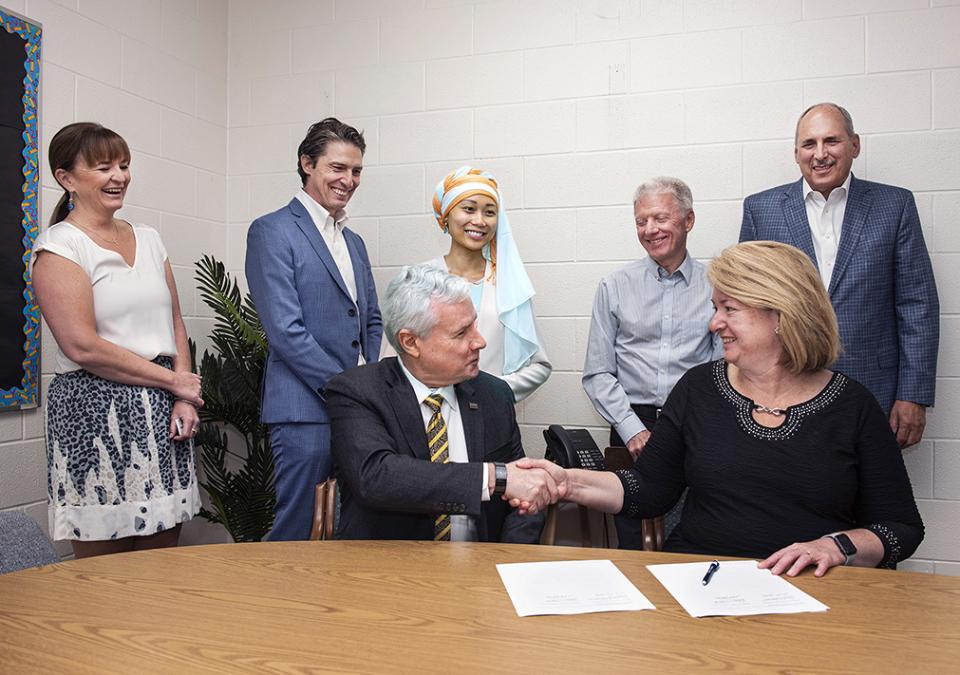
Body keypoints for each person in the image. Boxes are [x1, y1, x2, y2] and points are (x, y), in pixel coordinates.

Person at [520, 242, 924, 576]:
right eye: (716, 308)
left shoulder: (852, 406)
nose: (715, 323)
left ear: (781, 315)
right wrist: (565, 481)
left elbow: (901, 529)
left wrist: (835, 546)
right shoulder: (699, 388)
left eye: (729, 309)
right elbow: (647, 490)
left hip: (813, 591)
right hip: (701, 581)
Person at [31, 122, 203, 558]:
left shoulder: (149, 238)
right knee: (103, 573)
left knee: (162, 557)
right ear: (66, 177)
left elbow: (175, 322)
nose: (119, 176)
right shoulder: (60, 247)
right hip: (93, 414)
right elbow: (81, 346)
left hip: (162, 412)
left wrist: (182, 393)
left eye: (124, 166)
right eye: (104, 166)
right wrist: (172, 383)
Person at [740, 102, 939, 449]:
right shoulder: (761, 210)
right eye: (809, 144)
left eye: (831, 141)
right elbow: (748, 306)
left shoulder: (895, 206)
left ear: (854, 145)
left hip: (874, 389)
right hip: (785, 390)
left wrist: (913, 394)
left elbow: (917, 305)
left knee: (869, 496)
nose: (820, 154)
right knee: (791, 495)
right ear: (796, 152)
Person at [326, 265, 555, 542]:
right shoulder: (357, 392)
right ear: (410, 342)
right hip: (386, 572)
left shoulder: (493, 395)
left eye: (475, 325)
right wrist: (492, 477)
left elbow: (525, 498)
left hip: (480, 571)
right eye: (461, 333)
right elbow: (377, 477)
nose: (479, 342)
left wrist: (505, 563)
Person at [245, 118, 381, 541]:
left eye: (356, 171)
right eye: (337, 168)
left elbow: (371, 318)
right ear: (307, 163)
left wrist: (368, 384)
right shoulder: (272, 231)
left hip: (356, 409)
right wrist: (349, 388)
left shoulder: (354, 240)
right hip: (303, 412)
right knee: (298, 528)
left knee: (347, 527)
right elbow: (286, 332)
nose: (348, 180)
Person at [582, 176, 720, 549]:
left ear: (688, 221)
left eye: (660, 218)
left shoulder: (718, 285)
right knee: (631, 538)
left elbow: (722, 370)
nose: (649, 229)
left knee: (687, 535)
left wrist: (690, 429)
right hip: (631, 425)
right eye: (641, 221)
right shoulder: (614, 285)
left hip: (696, 426)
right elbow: (597, 372)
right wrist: (632, 429)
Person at [425, 166, 551, 402]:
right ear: (446, 216)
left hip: (491, 422)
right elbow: (393, 363)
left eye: (489, 212)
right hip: (427, 421)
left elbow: (540, 366)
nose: (479, 221)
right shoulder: (419, 279)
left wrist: (491, 393)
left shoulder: (509, 284)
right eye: (469, 209)